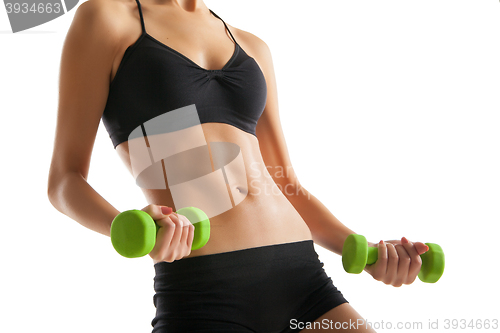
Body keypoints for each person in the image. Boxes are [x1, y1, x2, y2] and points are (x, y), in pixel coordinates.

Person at [47, 0, 429, 331]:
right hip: (207, 291)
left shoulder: (252, 46)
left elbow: (287, 185)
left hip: (303, 279)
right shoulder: (108, 19)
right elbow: (64, 181)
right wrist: (128, 226)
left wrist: (367, 253)